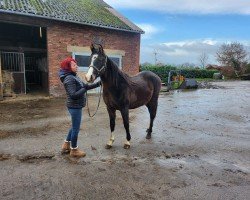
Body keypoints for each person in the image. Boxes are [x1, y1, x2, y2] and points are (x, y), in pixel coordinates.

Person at [58, 57, 101, 158]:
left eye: (76, 64)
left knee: (73, 127)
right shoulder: (69, 78)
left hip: (76, 106)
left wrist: (98, 84)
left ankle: (66, 145)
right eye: (74, 65)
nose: (76, 66)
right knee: (76, 129)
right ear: (68, 67)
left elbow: (84, 86)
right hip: (74, 106)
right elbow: (73, 94)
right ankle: (74, 150)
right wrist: (84, 89)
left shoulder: (74, 76)